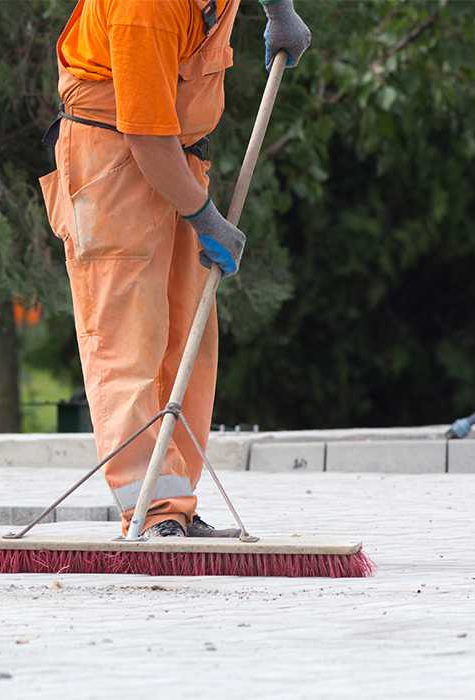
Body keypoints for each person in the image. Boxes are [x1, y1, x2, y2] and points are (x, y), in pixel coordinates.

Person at [40, 0, 311, 537]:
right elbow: (145, 135)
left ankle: (176, 503)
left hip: (176, 154)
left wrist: (280, 10)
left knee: (189, 338)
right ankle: (153, 512)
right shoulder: (145, 7)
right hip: (113, 160)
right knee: (128, 342)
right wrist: (204, 216)